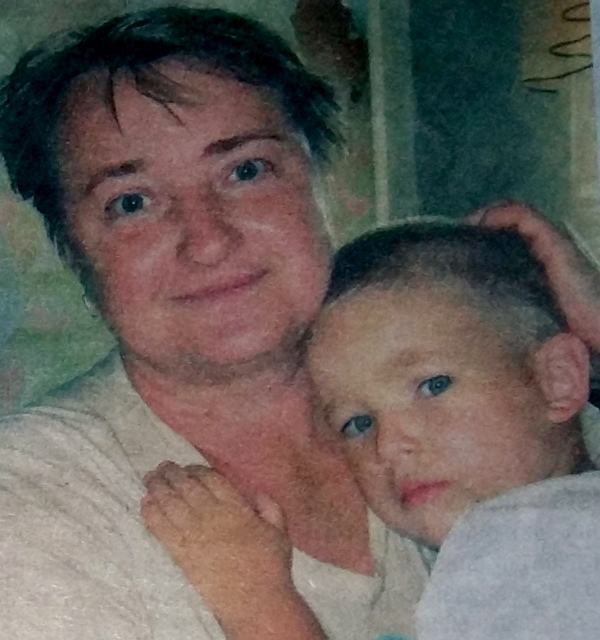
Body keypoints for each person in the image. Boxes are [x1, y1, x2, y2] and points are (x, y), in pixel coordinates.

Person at [0, 4, 598, 639]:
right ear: (72, 251)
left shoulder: (492, 379)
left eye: (245, 170)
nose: (208, 240)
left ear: (323, 182)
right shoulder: (36, 503)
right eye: (132, 203)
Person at [141, 221, 600, 640]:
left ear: (557, 378)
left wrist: (258, 603)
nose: (388, 444)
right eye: (357, 423)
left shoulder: (525, 549)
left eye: (433, 385)